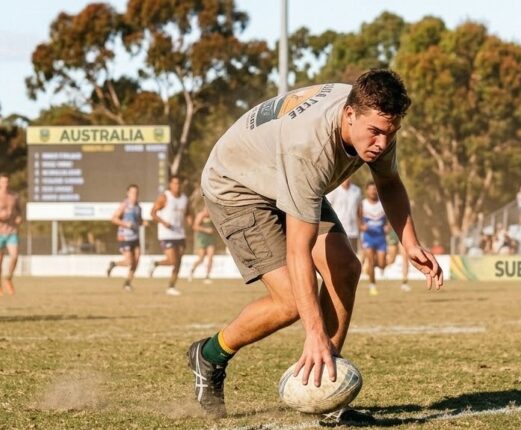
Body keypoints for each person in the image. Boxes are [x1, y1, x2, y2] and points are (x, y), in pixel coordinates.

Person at [187, 69, 443, 424]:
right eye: (376, 132)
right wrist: (314, 334)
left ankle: (328, 391)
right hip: (237, 185)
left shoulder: (374, 120)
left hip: (281, 176)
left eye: (391, 133)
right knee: (291, 302)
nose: (382, 143)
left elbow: (389, 183)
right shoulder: (310, 149)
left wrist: (410, 242)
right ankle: (210, 353)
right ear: (350, 114)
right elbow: (298, 252)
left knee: (346, 268)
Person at [149, 176, 191, 296]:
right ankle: (155, 264)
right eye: (175, 183)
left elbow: (187, 213)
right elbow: (152, 213)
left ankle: (171, 286)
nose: (177, 186)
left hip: (180, 234)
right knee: (173, 261)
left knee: (178, 263)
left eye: (179, 183)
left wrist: (190, 222)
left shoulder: (184, 198)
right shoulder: (165, 197)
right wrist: (163, 222)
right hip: (166, 234)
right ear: (170, 184)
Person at [107, 184, 144, 291]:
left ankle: (127, 283)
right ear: (127, 193)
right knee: (129, 261)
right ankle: (114, 264)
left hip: (135, 237)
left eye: (136, 193)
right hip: (125, 237)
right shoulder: (124, 205)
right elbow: (114, 218)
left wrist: (143, 222)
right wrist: (125, 224)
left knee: (136, 261)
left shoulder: (138, 207)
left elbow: (139, 220)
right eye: (132, 192)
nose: (135, 195)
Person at [358, 183, 388, 296]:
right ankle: (372, 285)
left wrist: (387, 227)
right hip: (368, 237)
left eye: (375, 189)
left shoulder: (382, 204)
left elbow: (389, 219)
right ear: (366, 191)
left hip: (380, 237)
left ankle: (371, 269)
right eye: (370, 189)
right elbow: (358, 218)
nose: (373, 191)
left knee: (382, 263)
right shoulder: (363, 204)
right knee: (370, 261)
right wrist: (361, 226)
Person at [325, 178, 361, 251]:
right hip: (337, 229)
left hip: (353, 230)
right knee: (337, 253)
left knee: (353, 255)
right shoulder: (333, 189)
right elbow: (327, 208)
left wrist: (360, 226)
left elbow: (359, 210)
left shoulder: (357, 190)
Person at [187, 204, 217, 284]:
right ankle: (192, 270)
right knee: (201, 258)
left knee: (210, 257)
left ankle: (207, 276)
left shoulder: (211, 216)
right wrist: (206, 230)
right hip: (201, 239)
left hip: (209, 239)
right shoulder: (200, 215)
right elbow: (195, 227)